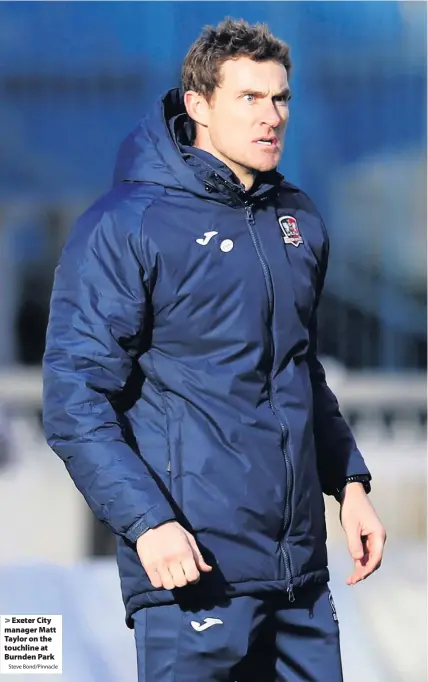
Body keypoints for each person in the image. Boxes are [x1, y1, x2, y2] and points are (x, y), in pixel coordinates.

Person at [43, 18, 386, 682]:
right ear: (198, 106)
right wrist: (148, 523)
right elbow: (74, 398)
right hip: (194, 571)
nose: (271, 117)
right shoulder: (124, 226)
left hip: (300, 579)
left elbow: (296, 367)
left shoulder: (299, 220)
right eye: (250, 99)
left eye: (280, 98)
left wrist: (348, 481)